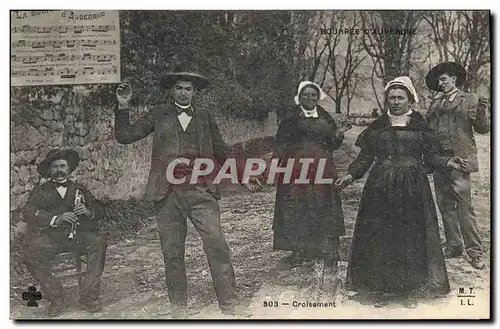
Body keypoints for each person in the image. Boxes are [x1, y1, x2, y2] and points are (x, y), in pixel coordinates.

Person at [114, 66, 259, 318]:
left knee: (217, 244)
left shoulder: (204, 116)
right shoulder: (158, 115)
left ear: (195, 92)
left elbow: (222, 150)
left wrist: (242, 175)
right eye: (179, 88)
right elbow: (125, 136)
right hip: (167, 194)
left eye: (188, 89)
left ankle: (230, 304)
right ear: (172, 91)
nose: (183, 93)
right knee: (172, 253)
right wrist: (123, 106)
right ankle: (178, 310)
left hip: (201, 190)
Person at [336, 76, 461, 308]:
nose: (395, 102)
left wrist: (447, 162)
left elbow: (432, 155)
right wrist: (351, 174)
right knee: (381, 235)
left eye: (400, 97)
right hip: (380, 186)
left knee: (410, 236)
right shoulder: (379, 125)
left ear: (410, 99)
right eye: (391, 97)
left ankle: (409, 290)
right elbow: (366, 156)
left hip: (413, 186)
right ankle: (382, 289)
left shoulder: (419, 125)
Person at [271, 81, 346, 271]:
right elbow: (281, 143)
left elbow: (332, 144)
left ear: (318, 97)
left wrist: (339, 134)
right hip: (295, 166)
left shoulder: (326, 118)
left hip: (321, 166)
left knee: (322, 202)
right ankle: (298, 249)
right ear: (300, 97)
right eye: (306, 95)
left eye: (313, 95)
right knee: (296, 204)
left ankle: (325, 248)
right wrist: (275, 165)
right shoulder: (291, 118)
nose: (310, 98)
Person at [23, 149, 108, 317]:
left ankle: (88, 296)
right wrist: (56, 218)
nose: (59, 170)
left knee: (99, 242)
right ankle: (56, 296)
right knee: (30, 254)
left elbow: (99, 209)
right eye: (55, 167)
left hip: (78, 237)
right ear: (49, 170)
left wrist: (88, 212)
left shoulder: (79, 189)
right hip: (51, 238)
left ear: (69, 169)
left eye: (63, 166)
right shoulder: (41, 191)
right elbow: (28, 213)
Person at [425, 62, 489, 269]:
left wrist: (482, 110)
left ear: (454, 78)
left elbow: (482, 129)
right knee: (445, 206)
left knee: (464, 207)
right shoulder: (435, 105)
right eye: (438, 81)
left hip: (460, 162)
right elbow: (428, 133)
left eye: (443, 79)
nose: (440, 83)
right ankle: (454, 246)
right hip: (440, 162)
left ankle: (475, 252)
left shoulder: (471, 99)